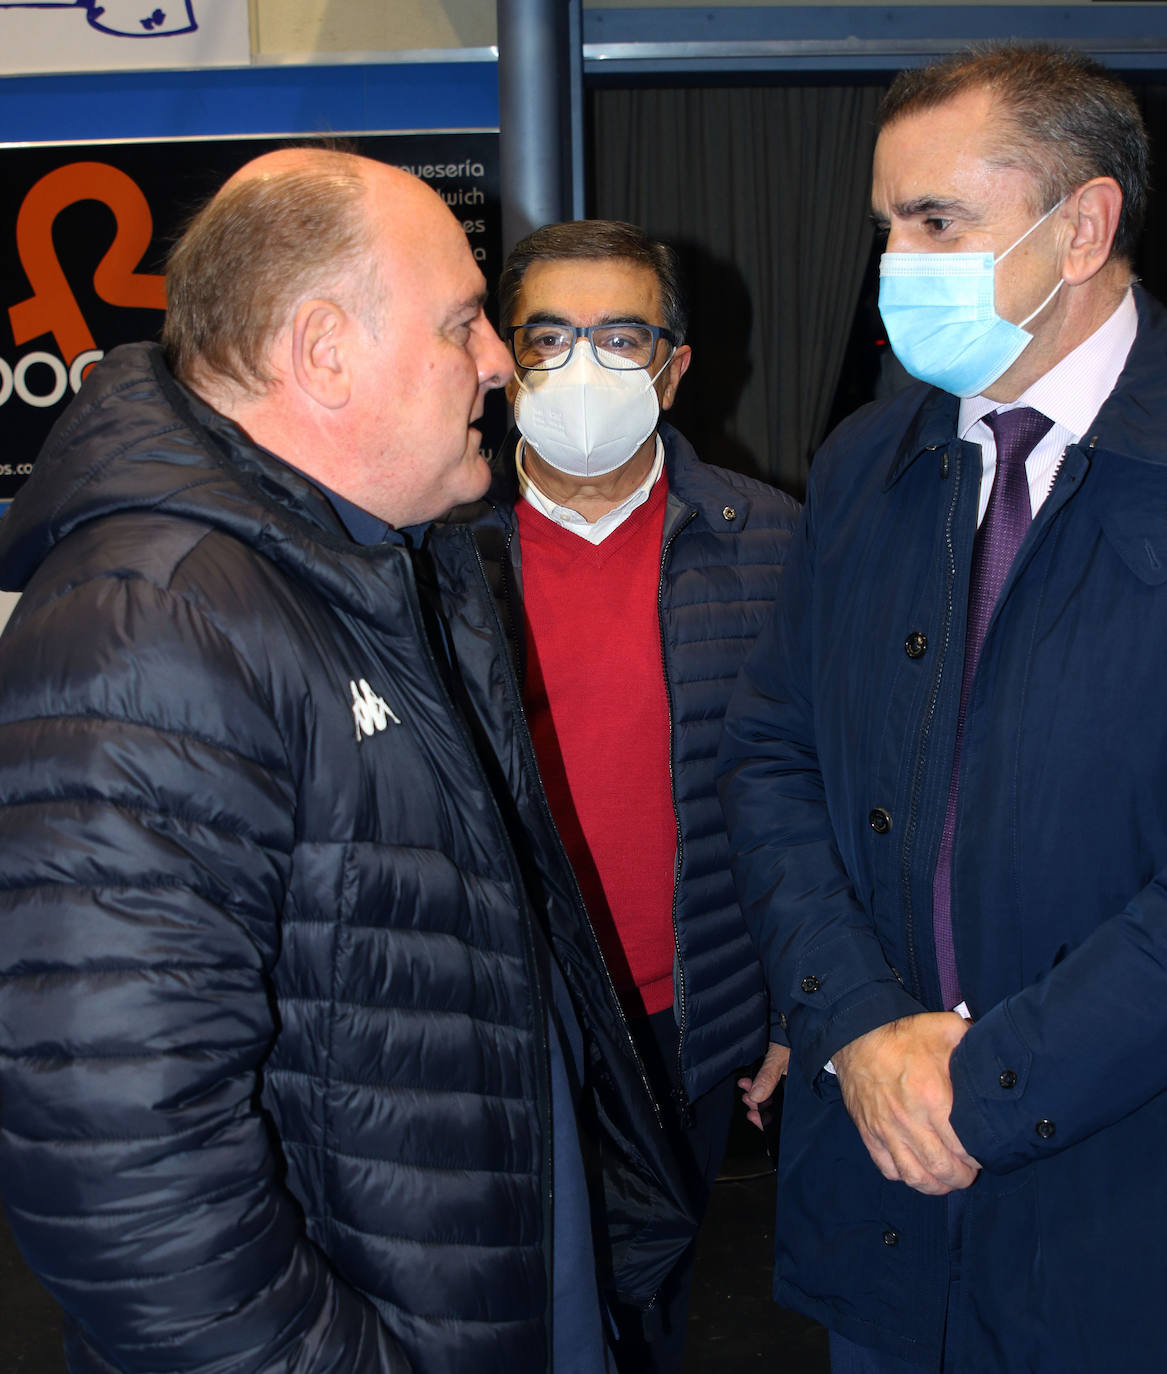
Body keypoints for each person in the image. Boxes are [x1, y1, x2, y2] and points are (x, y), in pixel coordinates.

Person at [0, 149, 695, 1374]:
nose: (498, 362)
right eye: (463, 321)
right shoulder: (161, 623)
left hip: (483, 1283)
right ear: (324, 352)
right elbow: (115, 1158)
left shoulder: (385, 564)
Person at [719, 44, 1167, 1374]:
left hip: (1111, 1196)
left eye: (934, 223)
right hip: (880, 1189)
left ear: (1081, 224)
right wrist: (852, 1021)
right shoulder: (868, 456)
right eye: (885, 226)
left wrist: (986, 1086)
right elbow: (770, 754)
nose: (895, 263)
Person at [457, 219, 800, 1371]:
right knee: (488, 1306)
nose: (584, 366)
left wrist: (791, 1007)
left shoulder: (771, 547)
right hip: (491, 1019)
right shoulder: (429, 550)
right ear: (502, 358)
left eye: (621, 335)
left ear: (675, 364)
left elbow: (814, 797)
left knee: (646, 1299)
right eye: (549, 336)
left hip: (681, 1023)